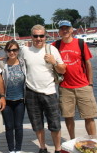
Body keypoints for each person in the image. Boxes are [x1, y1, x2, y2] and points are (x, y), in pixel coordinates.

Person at [21, 25, 66, 153]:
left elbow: (63, 70)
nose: (39, 38)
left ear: (45, 36)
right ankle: (42, 148)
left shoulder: (52, 50)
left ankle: (57, 149)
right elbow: (14, 60)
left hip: (49, 92)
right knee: (37, 124)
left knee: (55, 124)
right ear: (31, 37)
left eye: (41, 36)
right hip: (31, 92)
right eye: (35, 36)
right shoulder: (25, 50)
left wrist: (54, 62)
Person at [52, 20, 97, 139]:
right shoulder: (54, 46)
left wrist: (90, 83)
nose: (65, 30)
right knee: (68, 116)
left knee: (89, 116)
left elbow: (88, 64)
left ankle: (93, 140)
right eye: (62, 29)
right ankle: (72, 140)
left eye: (67, 28)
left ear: (72, 30)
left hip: (83, 86)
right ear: (59, 31)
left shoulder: (81, 43)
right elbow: (41, 49)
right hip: (65, 87)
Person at [1, 40, 26, 153]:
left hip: (20, 100)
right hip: (6, 101)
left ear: (18, 51)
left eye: (14, 50)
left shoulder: (23, 63)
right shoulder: (2, 64)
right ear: (6, 51)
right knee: (9, 126)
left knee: (18, 126)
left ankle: (19, 149)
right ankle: (11, 149)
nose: (12, 52)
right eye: (9, 50)